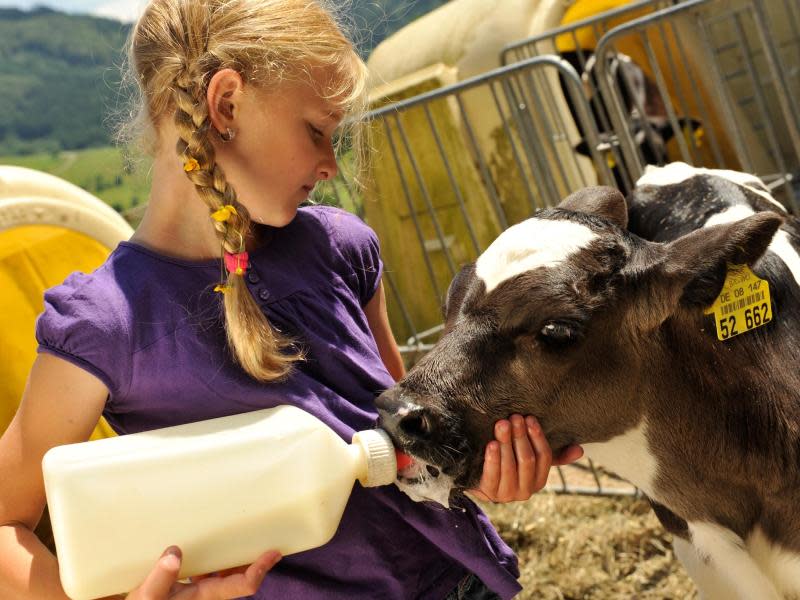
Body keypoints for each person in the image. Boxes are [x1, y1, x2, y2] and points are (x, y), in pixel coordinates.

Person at [0, 1, 583, 598]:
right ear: (225, 106)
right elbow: (4, 523)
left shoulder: (342, 248)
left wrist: (480, 471)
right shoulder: (108, 324)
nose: (332, 164)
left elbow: (405, 452)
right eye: (316, 131)